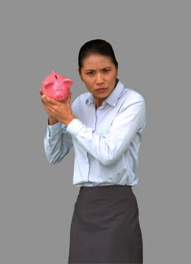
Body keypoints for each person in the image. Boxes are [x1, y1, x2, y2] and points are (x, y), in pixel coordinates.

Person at [40, 39, 146, 263]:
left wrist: (68, 119)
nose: (100, 80)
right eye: (90, 73)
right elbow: (54, 155)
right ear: (79, 74)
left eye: (106, 70)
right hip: (85, 208)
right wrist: (53, 118)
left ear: (116, 67)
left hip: (117, 206)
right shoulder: (79, 105)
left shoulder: (132, 102)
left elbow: (108, 152)